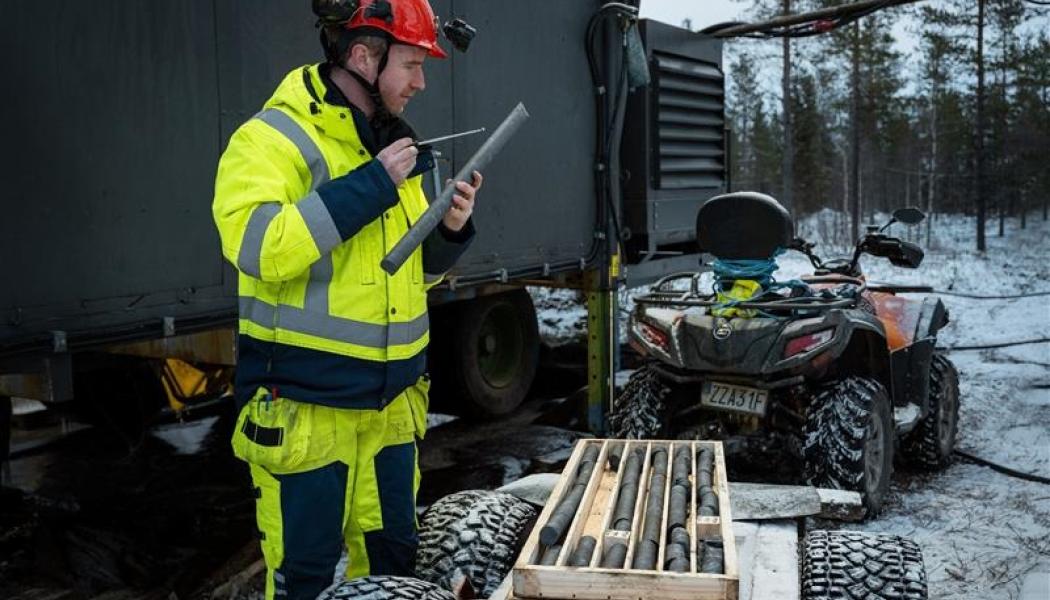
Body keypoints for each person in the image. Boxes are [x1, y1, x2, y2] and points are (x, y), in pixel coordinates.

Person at [211, 0, 481, 597]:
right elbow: (260, 248)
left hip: (389, 415)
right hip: (306, 412)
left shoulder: (393, 150)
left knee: (391, 568)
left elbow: (403, 277)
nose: (421, 82)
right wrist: (370, 187)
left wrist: (450, 235)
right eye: (411, 64)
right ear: (364, 57)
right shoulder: (269, 140)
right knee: (302, 580)